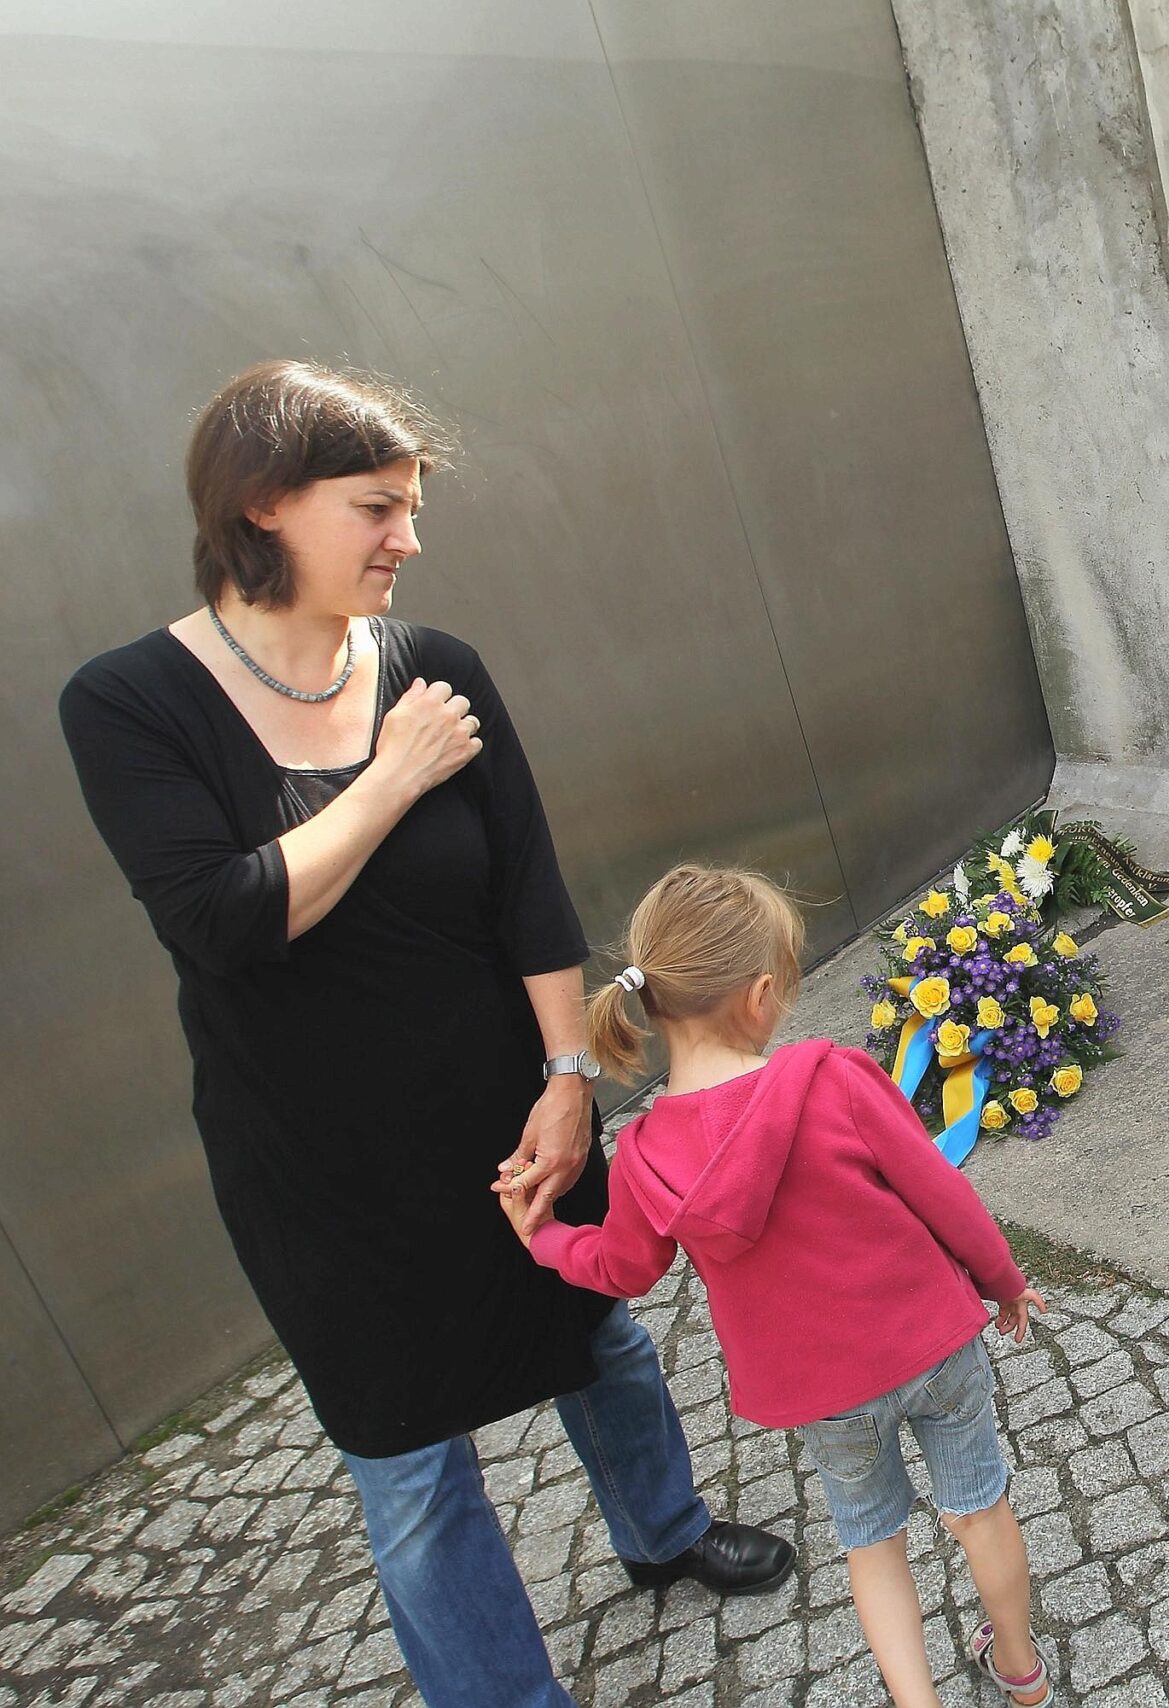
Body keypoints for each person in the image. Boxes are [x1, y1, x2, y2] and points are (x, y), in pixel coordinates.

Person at [58, 360, 793, 1708]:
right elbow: (225, 922)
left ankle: (666, 1532)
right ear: (266, 504)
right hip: (316, 1167)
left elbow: (527, 889)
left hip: (506, 1108)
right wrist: (393, 776)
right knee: (405, 1458)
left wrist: (569, 1078)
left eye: (411, 506)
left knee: (601, 1337)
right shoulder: (127, 705)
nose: (410, 537)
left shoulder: (437, 666)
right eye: (378, 508)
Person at [501, 864, 1055, 1707]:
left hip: (824, 1393)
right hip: (932, 1345)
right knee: (979, 1511)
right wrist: (1003, 1282)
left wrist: (545, 1240)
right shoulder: (833, 1077)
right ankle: (1020, 1671)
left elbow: (623, 1270)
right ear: (761, 996)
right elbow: (941, 1192)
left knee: (873, 1547)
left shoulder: (647, 1153)